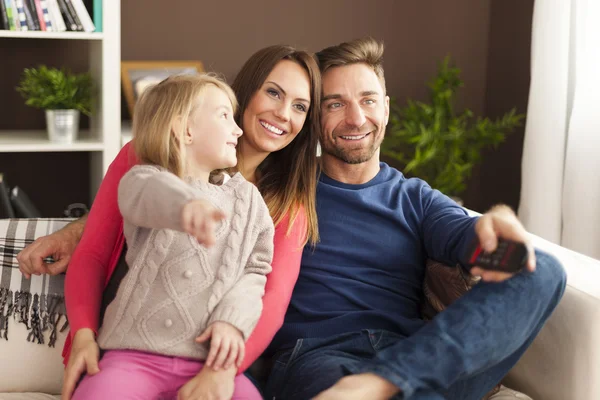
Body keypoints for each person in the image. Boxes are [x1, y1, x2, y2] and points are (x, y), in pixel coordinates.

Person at [261, 37, 567, 400]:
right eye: (335, 104)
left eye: (368, 100)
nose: (356, 118)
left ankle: (382, 383)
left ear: (386, 109)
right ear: (315, 117)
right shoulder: (281, 189)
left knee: (540, 268)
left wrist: (496, 227)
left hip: (415, 360)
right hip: (317, 357)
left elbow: (476, 246)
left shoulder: (416, 199)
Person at [18, 45, 321, 400]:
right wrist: (84, 331)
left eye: (300, 106)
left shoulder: (285, 206)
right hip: (129, 349)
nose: (283, 113)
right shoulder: (145, 157)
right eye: (273, 92)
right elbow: (100, 246)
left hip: (216, 360)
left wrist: (220, 373)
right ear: (247, 91)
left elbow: (269, 299)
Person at [71, 73, 274, 399]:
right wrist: (186, 206)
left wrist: (232, 322)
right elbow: (150, 194)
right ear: (185, 130)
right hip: (132, 356)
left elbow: (255, 272)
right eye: (225, 115)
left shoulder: (249, 201)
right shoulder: (143, 179)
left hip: (208, 363)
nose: (238, 129)